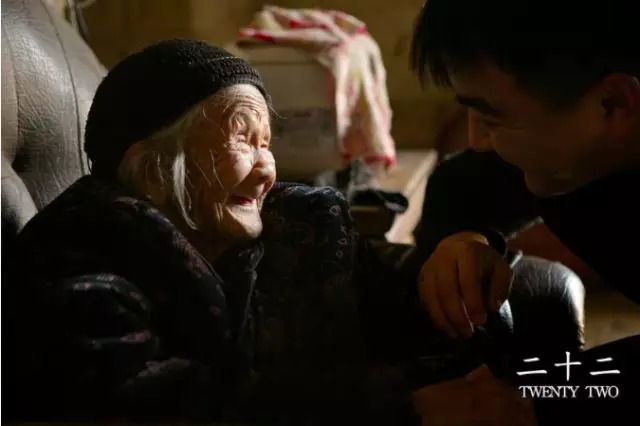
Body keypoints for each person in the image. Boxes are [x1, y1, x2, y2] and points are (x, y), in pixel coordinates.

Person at [407, 0, 640, 424]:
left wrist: (539, 399)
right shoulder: (564, 141)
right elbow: (462, 184)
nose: (477, 140)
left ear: (614, 103)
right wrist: (459, 239)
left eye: (492, 119)